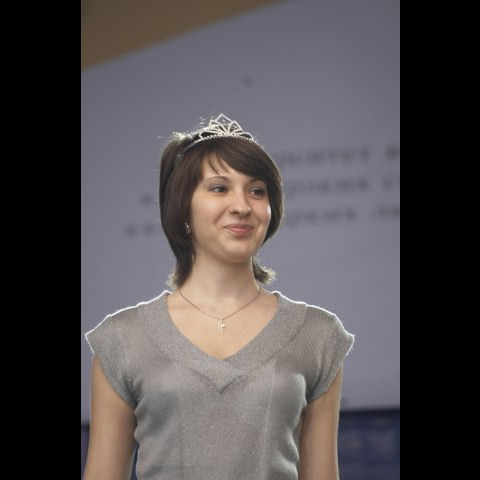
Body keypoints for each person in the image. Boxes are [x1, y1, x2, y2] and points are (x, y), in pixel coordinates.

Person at [83, 113, 355, 480]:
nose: (242, 206)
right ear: (182, 207)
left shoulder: (318, 334)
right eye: (219, 188)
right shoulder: (122, 338)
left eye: (257, 191)